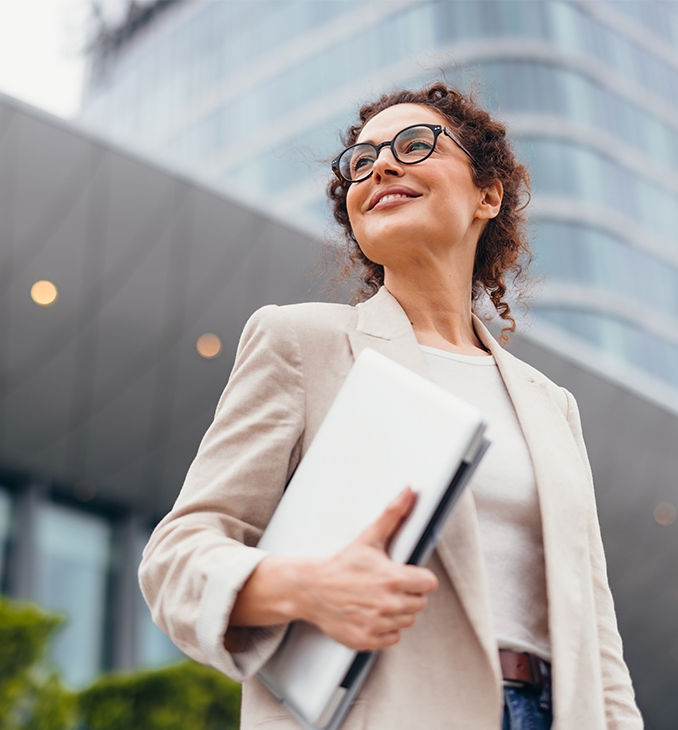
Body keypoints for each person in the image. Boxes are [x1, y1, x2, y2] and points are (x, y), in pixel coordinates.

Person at [139, 82, 643, 730]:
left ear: (488, 194)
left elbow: (597, 635)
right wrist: (305, 586)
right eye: (361, 160)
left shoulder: (553, 407)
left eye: (413, 144)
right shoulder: (302, 344)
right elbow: (177, 554)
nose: (380, 166)